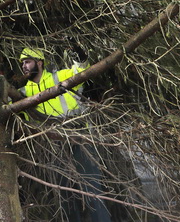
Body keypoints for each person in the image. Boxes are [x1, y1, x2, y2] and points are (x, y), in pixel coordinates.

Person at [19, 48, 114, 222]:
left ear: (39, 63)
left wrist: (80, 55)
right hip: (55, 147)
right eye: (22, 63)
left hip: (80, 138)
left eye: (27, 62)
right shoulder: (24, 93)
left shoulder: (60, 77)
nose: (24, 66)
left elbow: (81, 70)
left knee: (92, 190)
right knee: (65, 197)